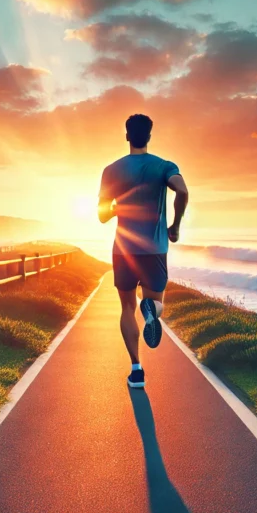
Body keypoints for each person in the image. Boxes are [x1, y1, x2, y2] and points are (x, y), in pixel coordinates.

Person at [98, 114, 189, 389]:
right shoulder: (164, 166)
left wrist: (117, 208)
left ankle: (136, 370)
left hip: (124, 250)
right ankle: (152, 310)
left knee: (127, 307)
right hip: (154, 251)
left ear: (127, 136)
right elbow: (182, 191)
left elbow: (102, 215)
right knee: (155, 303)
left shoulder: (111, 170)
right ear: (149, 137)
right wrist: (175, 225)